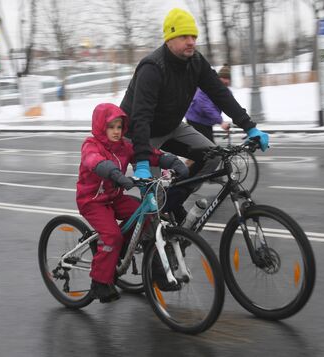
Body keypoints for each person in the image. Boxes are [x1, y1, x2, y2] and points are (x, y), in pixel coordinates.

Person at [120, 8, 269, 222]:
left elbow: (220, 94)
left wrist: (250, 127)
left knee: (214, 155)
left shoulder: (196, 62)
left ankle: (172, 203)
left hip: (171, 127)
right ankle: (144, 235)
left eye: (194, 36)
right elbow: (141, 116)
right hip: (140, 133)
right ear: (169, 39)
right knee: (153, 198)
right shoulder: (152, 68)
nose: (191, 41)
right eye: (184, 36)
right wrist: (142, 161)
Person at [76, 103, 188, 303]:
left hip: (114, 197)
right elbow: (94, 161)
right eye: (111, 127)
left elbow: (148, 153)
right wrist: (115, 174)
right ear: (101, 126)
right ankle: (99, 282)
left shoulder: (123, 147)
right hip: (92, 200)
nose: (117, 132)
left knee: (145, 215)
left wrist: (172, 161)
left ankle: (128, 257)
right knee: (111, 236)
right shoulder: (91, 145)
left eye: (119, 127)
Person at [185, 64, 232, 143]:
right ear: (218, 78)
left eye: (228, 78)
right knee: (208, 147)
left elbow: (231, 106)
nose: (226, 81)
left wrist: (240, 120)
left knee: (209, 148)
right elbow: (206, 107)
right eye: (223, 78)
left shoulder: (225, 91)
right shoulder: (207, 87)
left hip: (206, 121)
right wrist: (221, 121)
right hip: (196, 119)